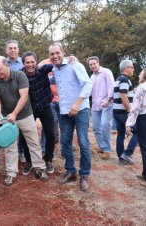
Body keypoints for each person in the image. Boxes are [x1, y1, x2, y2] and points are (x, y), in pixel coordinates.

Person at [0, 56, 48, 186]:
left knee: (33, 142)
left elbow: (24, 96)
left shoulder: (20, 76)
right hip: (7, 117)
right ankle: (11, 172)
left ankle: (39, 168)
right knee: (9, 145)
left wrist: (14, 114)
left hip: (25, 115)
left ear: (7, 66)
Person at [49, 43, 92, 191]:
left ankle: (84, 175)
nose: (55, 56)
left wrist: (77, 103)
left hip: (80, 110)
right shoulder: (54, 69)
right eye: (52, 54)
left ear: (63, 52)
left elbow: (88, 85)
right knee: (65, 143)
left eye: (57, 53)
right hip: (64, 112)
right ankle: (71, 171)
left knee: (83, 142)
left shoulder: (75, 65)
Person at [20, 51, 55, 175]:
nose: (30, 65)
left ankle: (48, 159)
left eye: (32, 62)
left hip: (45, 106)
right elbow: (7, 75)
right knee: (25, 135)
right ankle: (29, 161)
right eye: (27, 62)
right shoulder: (20, 74)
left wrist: (70, 58)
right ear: (23, 63)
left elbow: (58, 63)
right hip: (29, 109)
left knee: (51, 134)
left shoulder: (44, 69)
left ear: (36, 62)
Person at [126, 68, 146, 189]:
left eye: (141, 72)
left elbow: (135, 107)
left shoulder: (142, 87)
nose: (138, 74)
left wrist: (129, 123)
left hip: (145, 118)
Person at [87, 56, 114, 160]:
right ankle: (102, 147)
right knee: (95, 127)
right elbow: (88, 91)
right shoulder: (92, 77)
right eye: (91, 65)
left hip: (106, 103)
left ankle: (107, 149)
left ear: (98, 63)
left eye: (94, 64)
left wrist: (108, 99)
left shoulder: (106, 72)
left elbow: (111, 86)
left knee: (104, 125)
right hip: (95, 105)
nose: (93, 66)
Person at [113, 60, 138, 165]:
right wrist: (129, 111)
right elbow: (124, 96)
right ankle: (127, 154)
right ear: (125, 68)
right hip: (123, 112)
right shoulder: (124, 80)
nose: (133, 69)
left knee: (121, 134)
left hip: (117, 111)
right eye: (131, 67)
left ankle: (121, 157)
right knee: (139, 131)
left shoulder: (119, 79)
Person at [5, 39, 26, 163]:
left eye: (15, 48)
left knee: (22, 128)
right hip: (7, 101)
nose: (13, 50)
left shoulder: (24, 63)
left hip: (21, 100)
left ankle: (22, 152)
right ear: (6, 50)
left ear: (18, 50)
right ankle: (10, 155)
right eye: (10, 48)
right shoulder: (3, 62)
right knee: (9, 127)